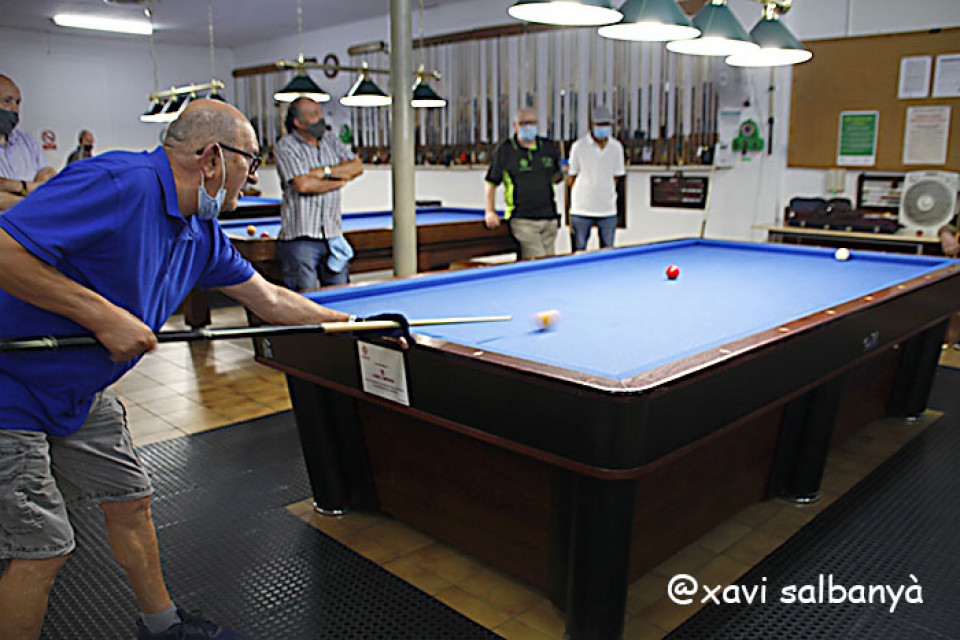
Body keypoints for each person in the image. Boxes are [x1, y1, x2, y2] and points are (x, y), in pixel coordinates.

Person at [0, 99, 408, 640]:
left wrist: (354, 324)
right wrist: (101, 315)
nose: (255, 176)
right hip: (11, 386)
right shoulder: (120, 182)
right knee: (42, 549)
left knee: (131, 502)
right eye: (251, 161)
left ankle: (163, 626)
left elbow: (270, 299)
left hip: (80, 390)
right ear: (213, 158)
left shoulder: (201, 231)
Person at [274, 97, 363, 291]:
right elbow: (302, 184)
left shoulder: (330, 140)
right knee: (305, 298)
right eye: (314, 115)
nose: (321, 119)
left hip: (333, 235)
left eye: (320, 113)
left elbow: (356, 167)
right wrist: (338, 180)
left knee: (340, 296)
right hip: (301, 238)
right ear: (298, 122)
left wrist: (324, 172)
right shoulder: (286, 146)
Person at [484, 107, 564, 260]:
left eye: (532, 122)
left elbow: (555, 179)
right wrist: (490, 211)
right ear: (515, 126)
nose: (529, 126)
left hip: (549, 218)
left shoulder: (547, 147)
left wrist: (563, 172)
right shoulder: (506, 150)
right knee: (538, 261)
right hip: (523, 219)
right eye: (524, 123)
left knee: (549, 263)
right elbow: (490, 183)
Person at [567, 106, 625, 252]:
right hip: (581, 209)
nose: (603, 128)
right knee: (579, 251)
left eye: (606, 124)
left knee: (607, 251)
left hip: (607, 209)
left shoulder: (616, 147)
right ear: (591, 125)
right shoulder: (578, 146)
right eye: (600, 124)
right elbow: (571, 178)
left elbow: (617, 176)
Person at [0, 74, 55, 211]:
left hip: (33, 222)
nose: (16, 110)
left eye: (17, 103)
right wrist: (34, 193)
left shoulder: (26, 141)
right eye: (7, 101)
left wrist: (16, 187)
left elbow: (50, 179)